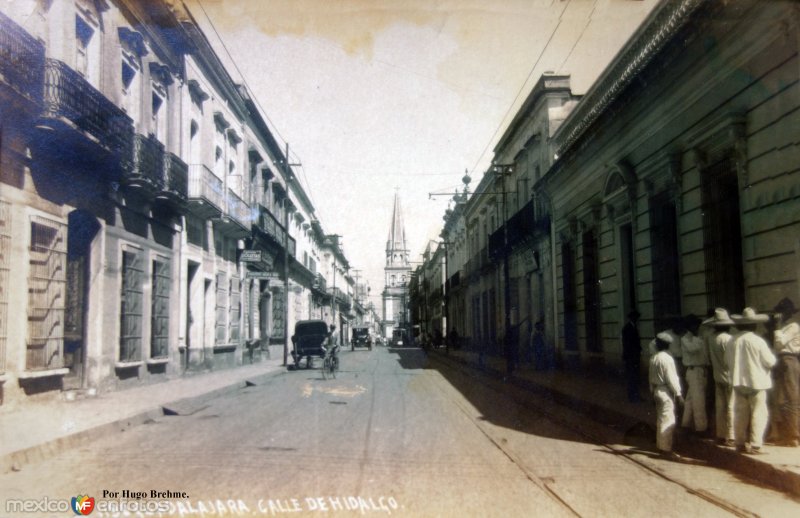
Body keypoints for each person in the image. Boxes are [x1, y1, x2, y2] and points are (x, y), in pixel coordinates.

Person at [727, 308, 777, 454]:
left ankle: (740, 443)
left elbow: (727, 361)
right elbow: (770, 361)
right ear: (753, 325)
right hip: (757, 381)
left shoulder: (732, 341)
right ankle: (755, 444)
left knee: (740, 414)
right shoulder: (758, 341)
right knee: (758, 413)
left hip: (738, 381)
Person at [649, 332, 684, 460]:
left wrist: (652, 391)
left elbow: (650, 378)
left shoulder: (654, 357)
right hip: (665, 391)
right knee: (668, 419)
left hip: (657, 390)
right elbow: (672, 379)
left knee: (660, 419)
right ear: (668, 345)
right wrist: (678, 394)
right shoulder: (667, 359)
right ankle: (665, 449)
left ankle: (660, 445)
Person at [705, 308, 736, 446]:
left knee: (721, 406)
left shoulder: (711, 338)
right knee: (731, 406)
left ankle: (721, 434)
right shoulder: (728, 339)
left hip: (717, 375)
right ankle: (731, 436)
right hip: (729, 375)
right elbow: (731, 360)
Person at [772, 297, 800, 447]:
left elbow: (779, 344)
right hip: (783, 360)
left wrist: (776, 327)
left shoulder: (793, 326)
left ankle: (794, 435)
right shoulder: (784, 327)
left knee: (791, 398)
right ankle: (789, 433)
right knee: (782, 399)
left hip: (789, 360)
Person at [681, 313, 709, 435]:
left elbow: (704, 354)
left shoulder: (698, 338)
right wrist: (698, 338)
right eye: (694, 325)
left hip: (700, 370)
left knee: (690, 399)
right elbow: (694, 349)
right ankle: (701, 428)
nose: (697, 327)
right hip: (693, 371)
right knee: (699, 400)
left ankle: (685, 424)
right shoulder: (686, 339)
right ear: (689, 326)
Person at [621, 309, 642, 402]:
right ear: (632, 318)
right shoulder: (627, 328)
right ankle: (632, 396)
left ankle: (636, 395)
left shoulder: (633, 327)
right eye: (636, 318)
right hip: (630, 357)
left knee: (635, 376)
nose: (637, 319)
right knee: (631, 377)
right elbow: (627, 344)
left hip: (634, 356)